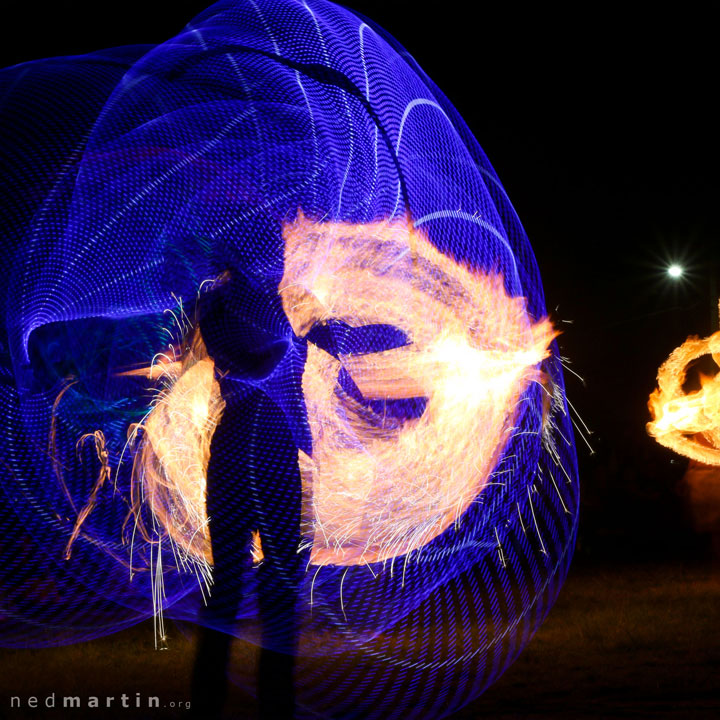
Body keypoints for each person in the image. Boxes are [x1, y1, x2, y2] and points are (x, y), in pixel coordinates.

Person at [190, 267, 305, 719]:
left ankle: (258, 703)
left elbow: (290, 384)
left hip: (249, 449)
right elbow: (263, 364)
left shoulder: (230, 306)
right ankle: (249, 704)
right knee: (243, 589)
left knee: (259, 588)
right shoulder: (231, 308)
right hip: (259, 452)